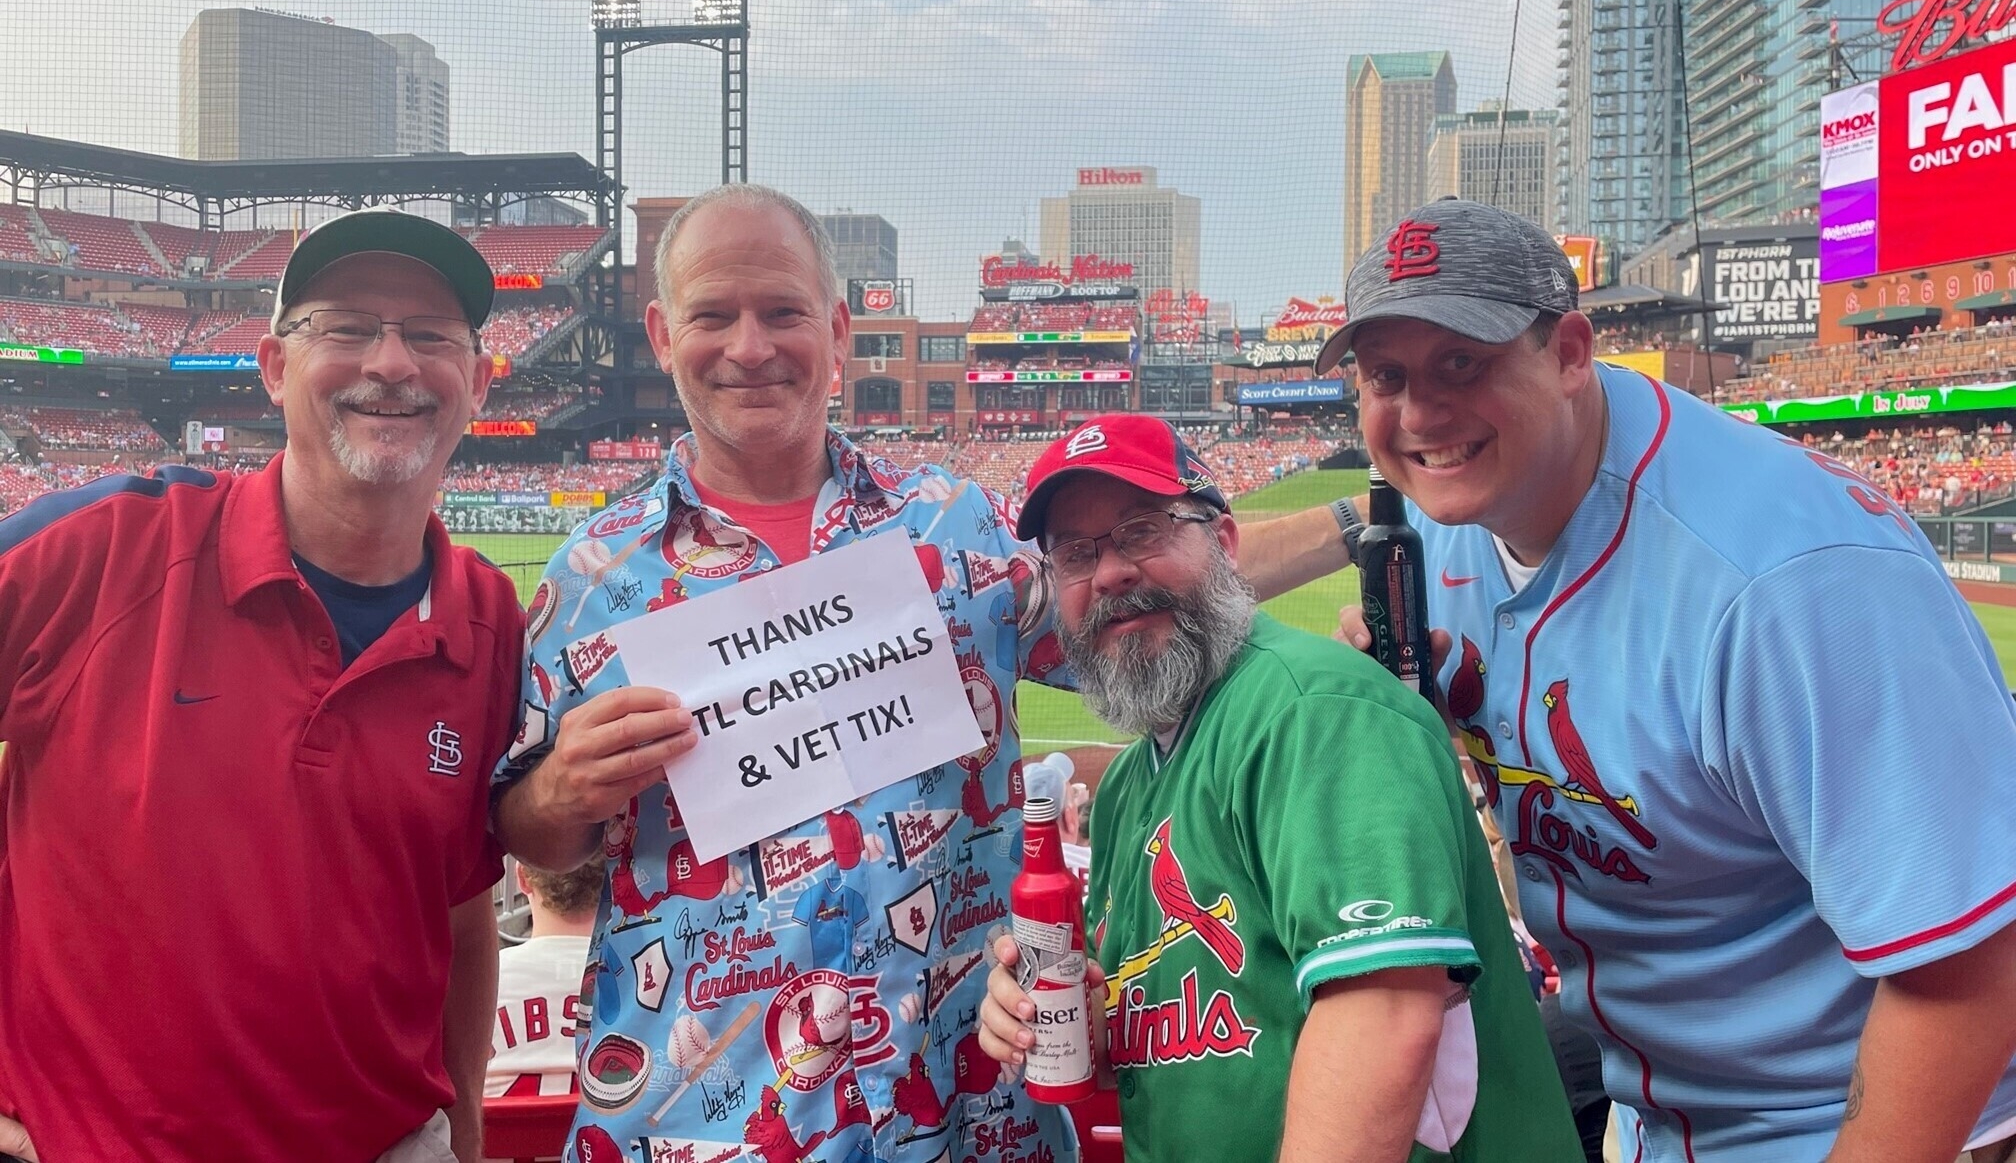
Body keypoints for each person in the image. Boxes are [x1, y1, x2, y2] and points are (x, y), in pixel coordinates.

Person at [490, 183, 1355, 1162]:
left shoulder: (953, 522)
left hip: (966, 1109)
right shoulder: (593, 576)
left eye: (782, 312)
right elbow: (515, 821)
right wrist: (561, 788)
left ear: (839, 329)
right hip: (708, 1120)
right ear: (660, 332)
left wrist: (1361, 525)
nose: (750, 346)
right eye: (713, 316)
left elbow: (1146, 590)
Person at [1322, 197, 2016, 1163]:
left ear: (1569, 353)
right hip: (1657, 1097)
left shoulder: (1788, 581)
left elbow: (1969, 967)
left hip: (1857, 1119)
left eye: (1461, 363)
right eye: (1385, 376)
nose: (1420, 412)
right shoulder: (1456, 517)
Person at [0, 208, 517, 1163]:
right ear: (277, 367)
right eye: (349, 327)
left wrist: (469, 1125)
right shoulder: (105, 549)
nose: (394, 363)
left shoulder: (487, 618)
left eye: (430, 336)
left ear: (478, 384)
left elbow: (459, 904)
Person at [974, 415, 1580, 1162]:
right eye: (1075, 553)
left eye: (1141, 531)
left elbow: (1383, 1016)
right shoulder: (1133, 784)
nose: (1110, 573)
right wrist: (1083, 1025)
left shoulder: (1315, 711)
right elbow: (1203, 1033)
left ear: (1226, 546)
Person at [488, 858, 603, 1098]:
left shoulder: (477, 985)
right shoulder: (647, 981)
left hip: (496, 1136)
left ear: (522, 879)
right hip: (606, 1135)